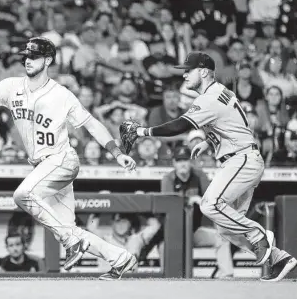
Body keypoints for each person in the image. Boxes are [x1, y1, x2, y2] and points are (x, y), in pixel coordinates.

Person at [0, 37, 137, 281]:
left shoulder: (61, 95)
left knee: (22, 195)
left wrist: (117, 152)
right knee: (68, 228)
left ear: (47, 60)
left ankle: (71, 242)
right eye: (26, 56)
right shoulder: (11, 86)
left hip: (61, 160)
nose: (28, 60)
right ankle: (121, 259)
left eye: (34, 57)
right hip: (44, 168)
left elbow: (91, 124)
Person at [126, 51, 297, 281]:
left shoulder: (209, 97)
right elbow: (234, 122)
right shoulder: (220, 92)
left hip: (241, 160)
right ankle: (279, 259)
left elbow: (179, 126)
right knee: (225, 228)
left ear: (204, 71)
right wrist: (209, 141)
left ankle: (258, 235)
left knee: (210, 205)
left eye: (189, 70)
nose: (185, 75)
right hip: (241, 157)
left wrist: (141, 131)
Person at [162, 145, 233, 279]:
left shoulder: (199, 175)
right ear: (174, 163)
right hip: (172, 233)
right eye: (179, 160)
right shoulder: (168, 179)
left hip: (193, 232)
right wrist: (188, 199)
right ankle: (163, 279)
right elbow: (167, 207)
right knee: (160, 243)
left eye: (185, 160)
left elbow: (211, 202)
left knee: (221, 238)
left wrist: (199, 200)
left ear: (191, 162)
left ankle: (227, 275)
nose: (182, 163)